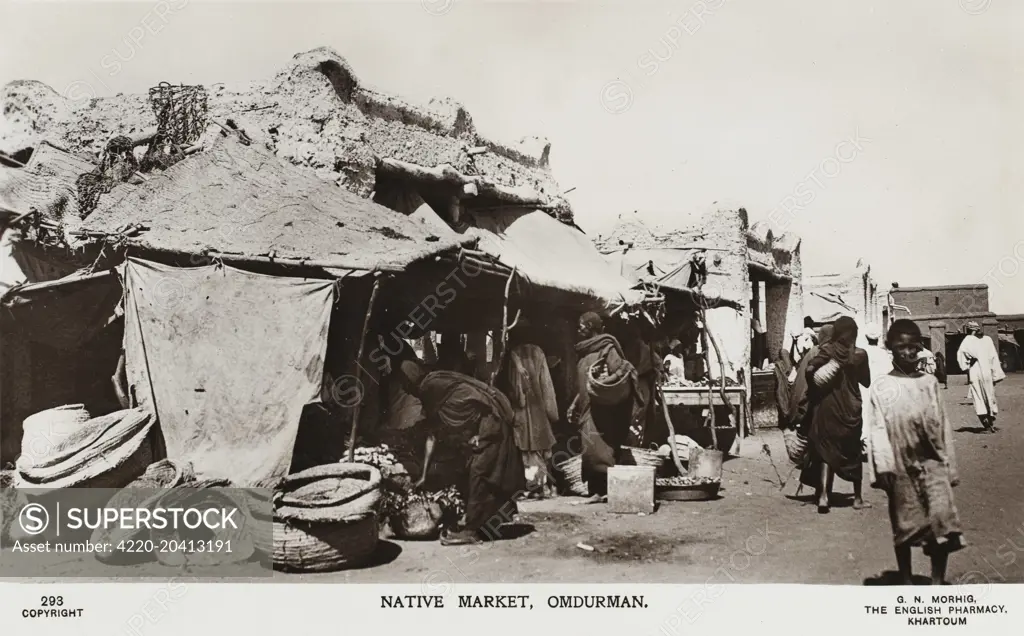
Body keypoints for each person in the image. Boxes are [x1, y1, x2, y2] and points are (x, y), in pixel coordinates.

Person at [864, 320, 964, 585]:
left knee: (940, 520)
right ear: (890, 349)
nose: (907, 353)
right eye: (900, 348)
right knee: (905, 523)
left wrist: (950, 466)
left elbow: (943, 425)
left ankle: (936, 582)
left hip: (932, 461)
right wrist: (883, 468)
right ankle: (906, 581)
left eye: (912, 347)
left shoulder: (929, 382)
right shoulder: (881, 386)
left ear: (920, 347)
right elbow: (877, 428)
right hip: (899, 463)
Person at [399, 360, 525, 546]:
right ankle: (490, 521)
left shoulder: (430, 388)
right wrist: (424, 475)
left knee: (479, 471)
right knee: (480, 468)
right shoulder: (435, 382)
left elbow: (433, 434)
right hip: (489, 420)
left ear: (410, 380)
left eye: (404, 383)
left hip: (492, 422)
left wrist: (424, 474)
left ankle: (471, 531)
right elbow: (435, 431)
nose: (405, 389)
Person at [801, 316, 871, 513]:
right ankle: (857, 498)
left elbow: (810, 369)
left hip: (827, 409)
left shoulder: (827, 350)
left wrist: (819, 374)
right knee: (853, 450)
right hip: (850, 408)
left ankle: (823, 496)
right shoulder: (860, 354)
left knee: (825, 451)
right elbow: (866, 381)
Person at [569, 312, 637, 497]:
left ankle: (606, 492)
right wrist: (575, 404)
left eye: (581, 325)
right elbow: (585, 383)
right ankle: (595, 492)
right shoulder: (585, 351)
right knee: (589, 451)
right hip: (586, 408)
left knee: (599, 451)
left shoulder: (607, 349)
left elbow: (622, 374)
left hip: (601, 410)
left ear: (590, 326)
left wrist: (605, 379)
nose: (578, 329)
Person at [505, 325, 559, 499]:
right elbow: (546, 385)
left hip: (523, 408)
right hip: (539, 408)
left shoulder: (513, 355)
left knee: (527, 448)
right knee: (542, 447)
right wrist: (551, 411)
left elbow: (515, 389)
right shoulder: (538, 352)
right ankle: (545, 486)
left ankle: (537, 487)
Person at [956, 321, 1005, 433]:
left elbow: (961, 357)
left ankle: (987, 426)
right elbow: (994, 357)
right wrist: (996, 374)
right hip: (987, 372)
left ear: (968, 330)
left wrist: (967, 364)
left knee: (978, 398)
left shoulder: (967, 340)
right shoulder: (987, 339)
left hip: (975, 372)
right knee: (989, 396)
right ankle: (991, 421)